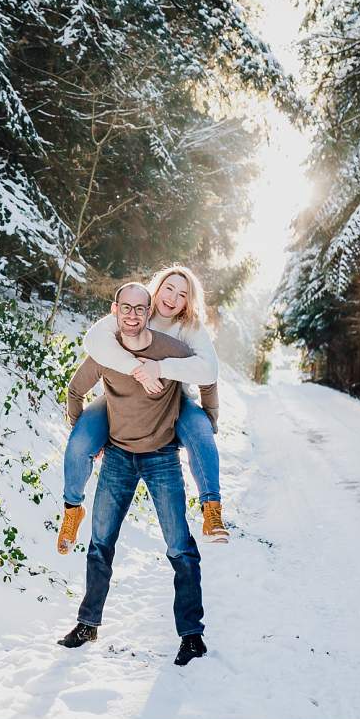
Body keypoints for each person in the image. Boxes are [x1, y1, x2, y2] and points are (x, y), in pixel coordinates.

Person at [55, 282, 209, 666]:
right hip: (119, 458)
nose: (134, 315)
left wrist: (211, 418)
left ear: (149, 310)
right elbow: (75, 391)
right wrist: (92, 436)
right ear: (115, 310)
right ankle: (87, 624)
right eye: (127, 308)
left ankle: (192, 636)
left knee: (180, 548)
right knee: (100, 544)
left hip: (162, 458)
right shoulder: (106, 350)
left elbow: (209, 372)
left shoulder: (168, 348)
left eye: (141, 309)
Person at [57, 265, 228, 557]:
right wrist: (138, 370)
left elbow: (208, 371)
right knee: (80, 442)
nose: (173, 298)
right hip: (119, 397)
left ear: (189, 302)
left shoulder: (190, 328)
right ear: (156, 288)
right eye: (168, 289)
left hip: (172, 398)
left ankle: (212, 510)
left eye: (182, 294)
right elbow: (94, 341)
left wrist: (162, 369)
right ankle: (72, 510)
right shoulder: (138, 309)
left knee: (201, 432)